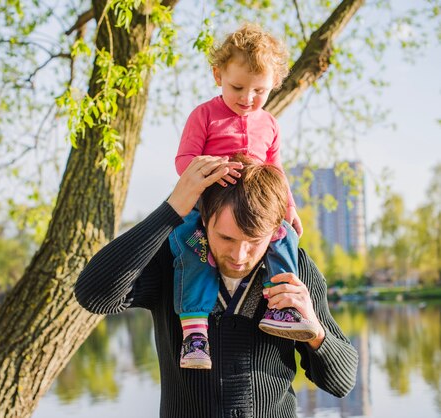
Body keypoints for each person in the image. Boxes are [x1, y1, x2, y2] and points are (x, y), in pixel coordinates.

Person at [75, 155, 358, 418]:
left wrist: (315, 331)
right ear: (204, 220)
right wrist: (171, 210)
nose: (239, 256)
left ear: (275, 233)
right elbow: (94, 295)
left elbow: (342, 382)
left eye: (253, 242)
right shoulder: (173, 260)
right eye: (226, 238)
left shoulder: (296, 270)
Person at [172, 23, 313, 369]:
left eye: (259, 91)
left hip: (256, 207)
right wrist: (215, 168)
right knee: (193, 249)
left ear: (273, 86)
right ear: (218, 74)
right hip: (208, 203)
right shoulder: (204, 115)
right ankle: (194, 332)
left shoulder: (269, 124)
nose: (248, 99)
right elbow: (183, 161)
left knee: (284, 237)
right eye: (238, 87)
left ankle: (281, 306)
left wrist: (289, 206)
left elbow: (275, 170)